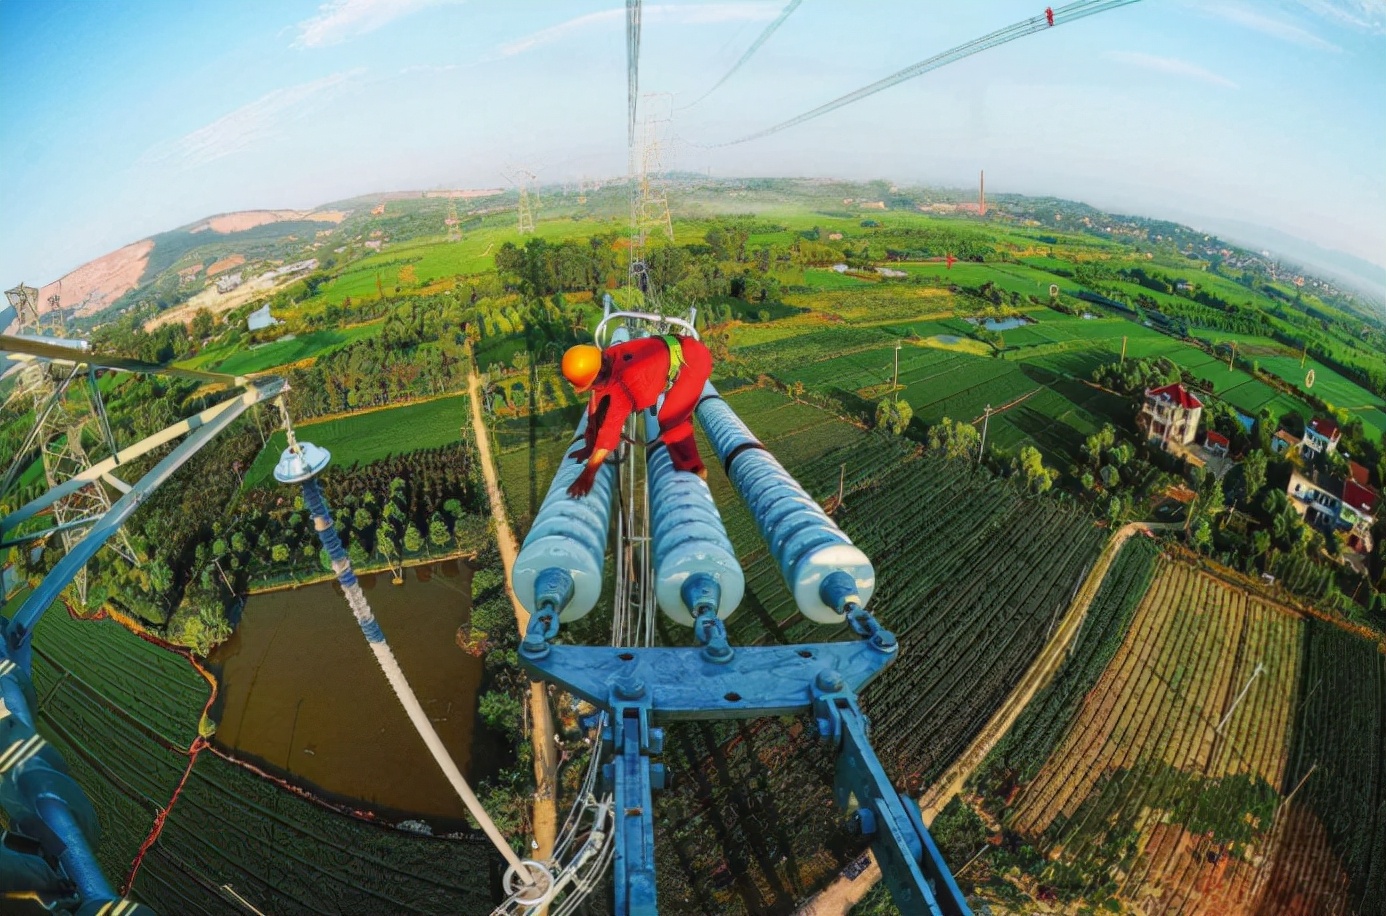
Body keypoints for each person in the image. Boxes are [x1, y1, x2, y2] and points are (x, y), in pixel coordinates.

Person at [561, 334, 712, 498]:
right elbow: (596, 407)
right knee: (675, 412)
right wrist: (589, 446)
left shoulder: (624, 383)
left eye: (591, 384)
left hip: (693, 360)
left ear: (599, 373)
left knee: (671, 419)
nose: (592, 389)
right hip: (678, 349)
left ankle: (694, 473)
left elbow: (610, 432)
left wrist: (587, 475)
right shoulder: (605, 360)